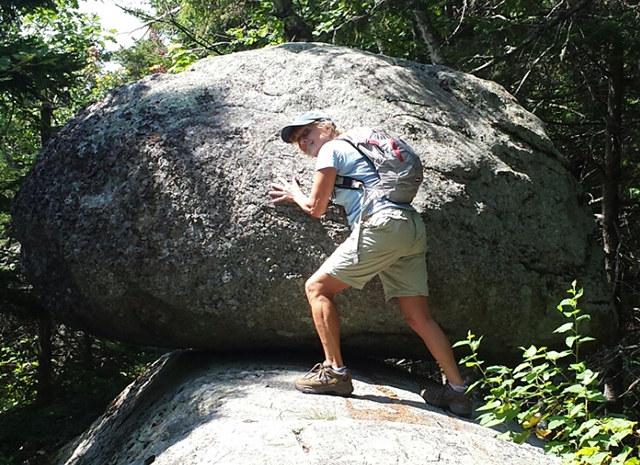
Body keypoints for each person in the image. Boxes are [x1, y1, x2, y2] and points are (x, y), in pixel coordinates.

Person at [269, 111, 471, 417]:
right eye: (298, 140)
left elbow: (315, 207)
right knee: (419, 318)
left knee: (317, 288)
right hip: (409, 225)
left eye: (307, 132)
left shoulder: (331, 149)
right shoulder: (359, 147)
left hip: (382, 225)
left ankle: (335, 373)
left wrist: (295, 193)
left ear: (326, 128)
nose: (303, 141)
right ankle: (457, 392)